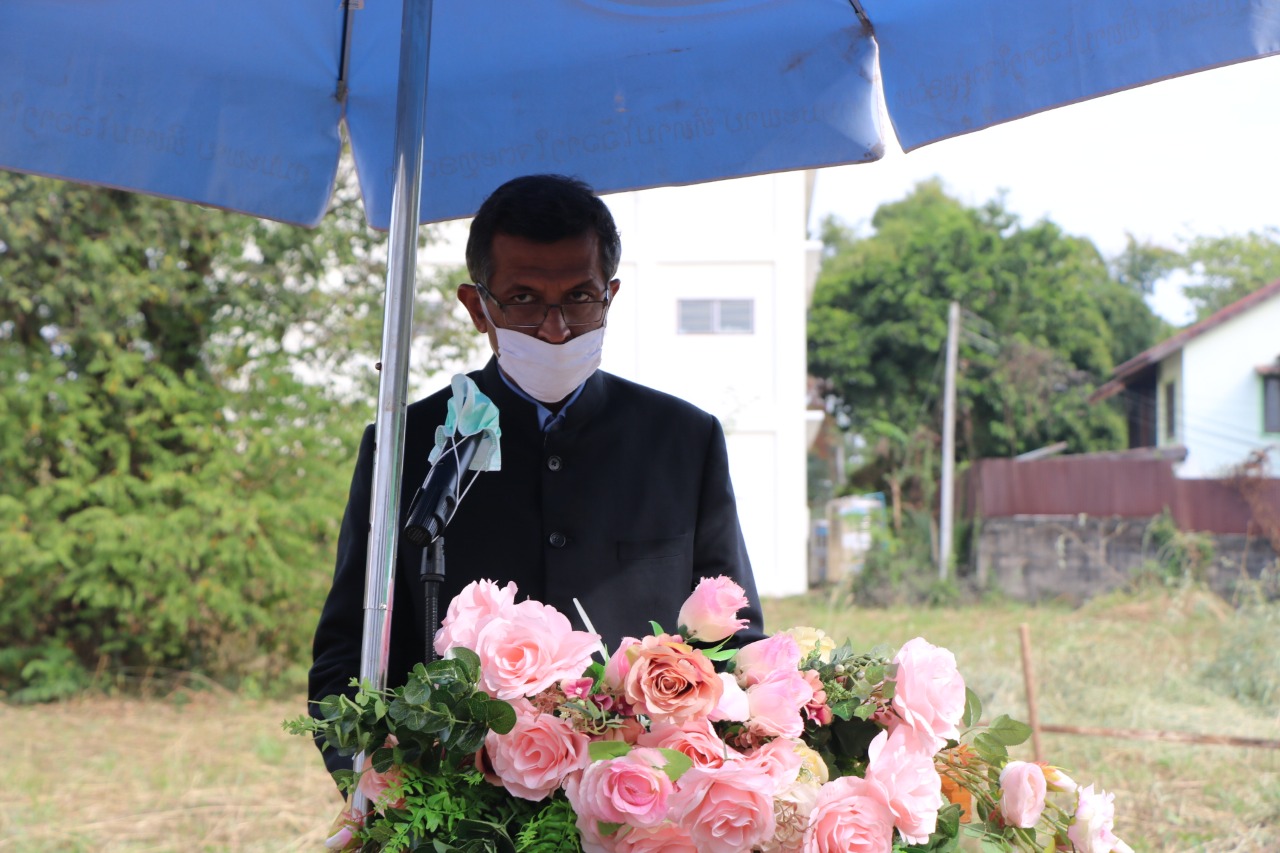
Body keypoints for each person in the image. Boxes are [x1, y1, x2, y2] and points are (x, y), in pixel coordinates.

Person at [309, 174, 764, 776]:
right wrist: (381, 789)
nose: (556, 329)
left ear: (611, 296)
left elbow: (737, 641)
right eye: (523, 299)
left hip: (646, 815)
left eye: (579, 297)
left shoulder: (683, 439)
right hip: (459, 821)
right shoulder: (407, 445)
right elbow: (348, 655)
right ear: (478, 307)